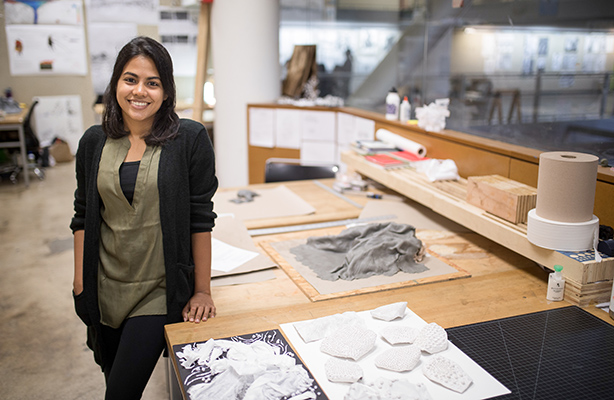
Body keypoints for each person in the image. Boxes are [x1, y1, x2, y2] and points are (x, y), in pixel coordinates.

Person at [70, 36, 218, 400]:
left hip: (158, 290)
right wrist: (80, 283)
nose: (140, 91)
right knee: (112, 375)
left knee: (119, 393)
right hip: (104, 288)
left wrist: (201, 289)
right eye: (130, 79)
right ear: (116, 85)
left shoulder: (189, 139)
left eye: (153, 83)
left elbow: (201, 218)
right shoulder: (93, 142)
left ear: (166, 91)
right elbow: (83, 215)